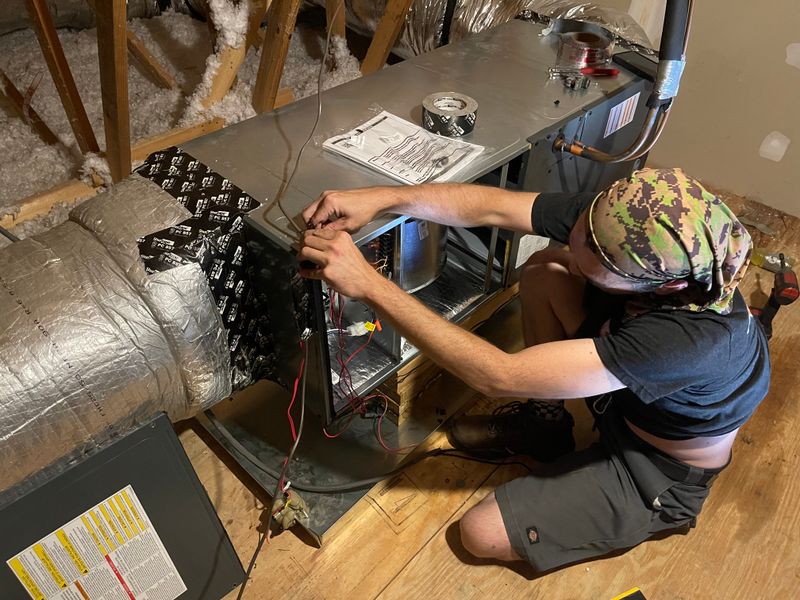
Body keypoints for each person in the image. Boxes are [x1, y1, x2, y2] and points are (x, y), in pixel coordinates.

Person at [297, 168, 770, 571]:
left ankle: (654, 511)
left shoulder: (688, 342)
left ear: (660, 286)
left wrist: (369, 285)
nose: (577, 237)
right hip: (630, 402)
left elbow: (497, 375)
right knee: (548, 269)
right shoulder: (625, 220)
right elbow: (496, 207)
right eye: (582, 230)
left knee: (479, 533)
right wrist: (384, 199)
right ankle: (546, 425)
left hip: (655, 467)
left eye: (598, 260)